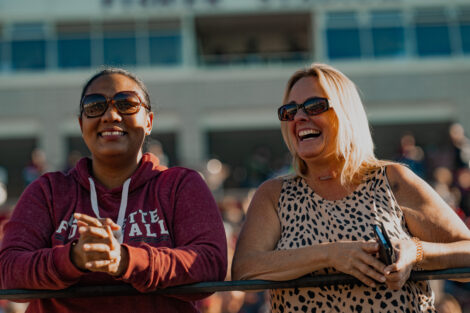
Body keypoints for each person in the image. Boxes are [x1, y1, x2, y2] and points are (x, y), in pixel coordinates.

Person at [232, 63, 470, 312]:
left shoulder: (392, 180)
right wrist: (330, 255)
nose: (300, 117)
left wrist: (416, 251)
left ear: (346, 113)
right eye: (290, 111)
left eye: (314, 106)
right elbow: (245, 271)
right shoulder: (274, 195)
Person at [0, 68, 227, 313]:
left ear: (149, 122)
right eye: (95, 106)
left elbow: (209, 262)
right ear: (81, 124)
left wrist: (125, 260)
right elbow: (8, 270)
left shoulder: (180, 185)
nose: (110, 115)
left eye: (126, 104)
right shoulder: (48, 191)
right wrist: (74, 258)